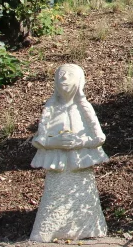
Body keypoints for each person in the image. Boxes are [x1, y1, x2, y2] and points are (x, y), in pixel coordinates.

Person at [30, 64, 109, 242]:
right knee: (53, 198)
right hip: (57, 167)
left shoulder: (84, 108)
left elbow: (99, 138)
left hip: (79, 166)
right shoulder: (51, 109)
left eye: (69, 75)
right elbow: (38, 139)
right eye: (61, 75)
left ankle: (89, 228)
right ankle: (49, 231)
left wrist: (80, 142)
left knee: (83, 199)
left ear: (79, 81)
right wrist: (52, 142)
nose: (64, 78)